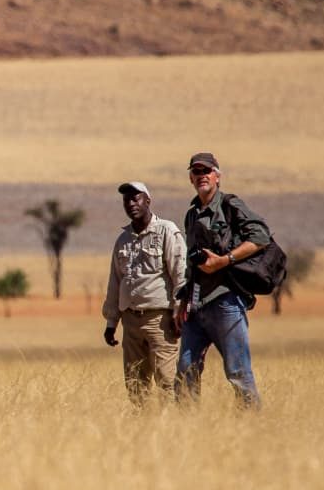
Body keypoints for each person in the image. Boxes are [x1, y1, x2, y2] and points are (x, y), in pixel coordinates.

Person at [174, 153, 272, 408]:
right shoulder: (192, 214)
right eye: (196, 172)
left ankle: (252, 425)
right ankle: (185, 431)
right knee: (185, 370)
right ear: (190, 178)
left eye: (207, 171)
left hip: (225, 301)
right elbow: (191, 264)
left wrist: (224, 260)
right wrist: (183, 299)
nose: (201, 175)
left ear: (217, 176)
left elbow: (261, 237)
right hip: (196, 306)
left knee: (237, 371)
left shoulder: (230, 205)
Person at [102, 181, 187, 406]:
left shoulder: (167, 231)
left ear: (148, 201)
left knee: (166, 381)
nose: (131, 204)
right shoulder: (123, 240)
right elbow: (115, 283)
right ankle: (142, 429)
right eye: (126, 200)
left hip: (161, 320)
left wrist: (179, 313)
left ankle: (170, 429)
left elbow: (180, 275)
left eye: (136, 198)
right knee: (135, 383)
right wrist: (112, 322)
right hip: (130, 321)